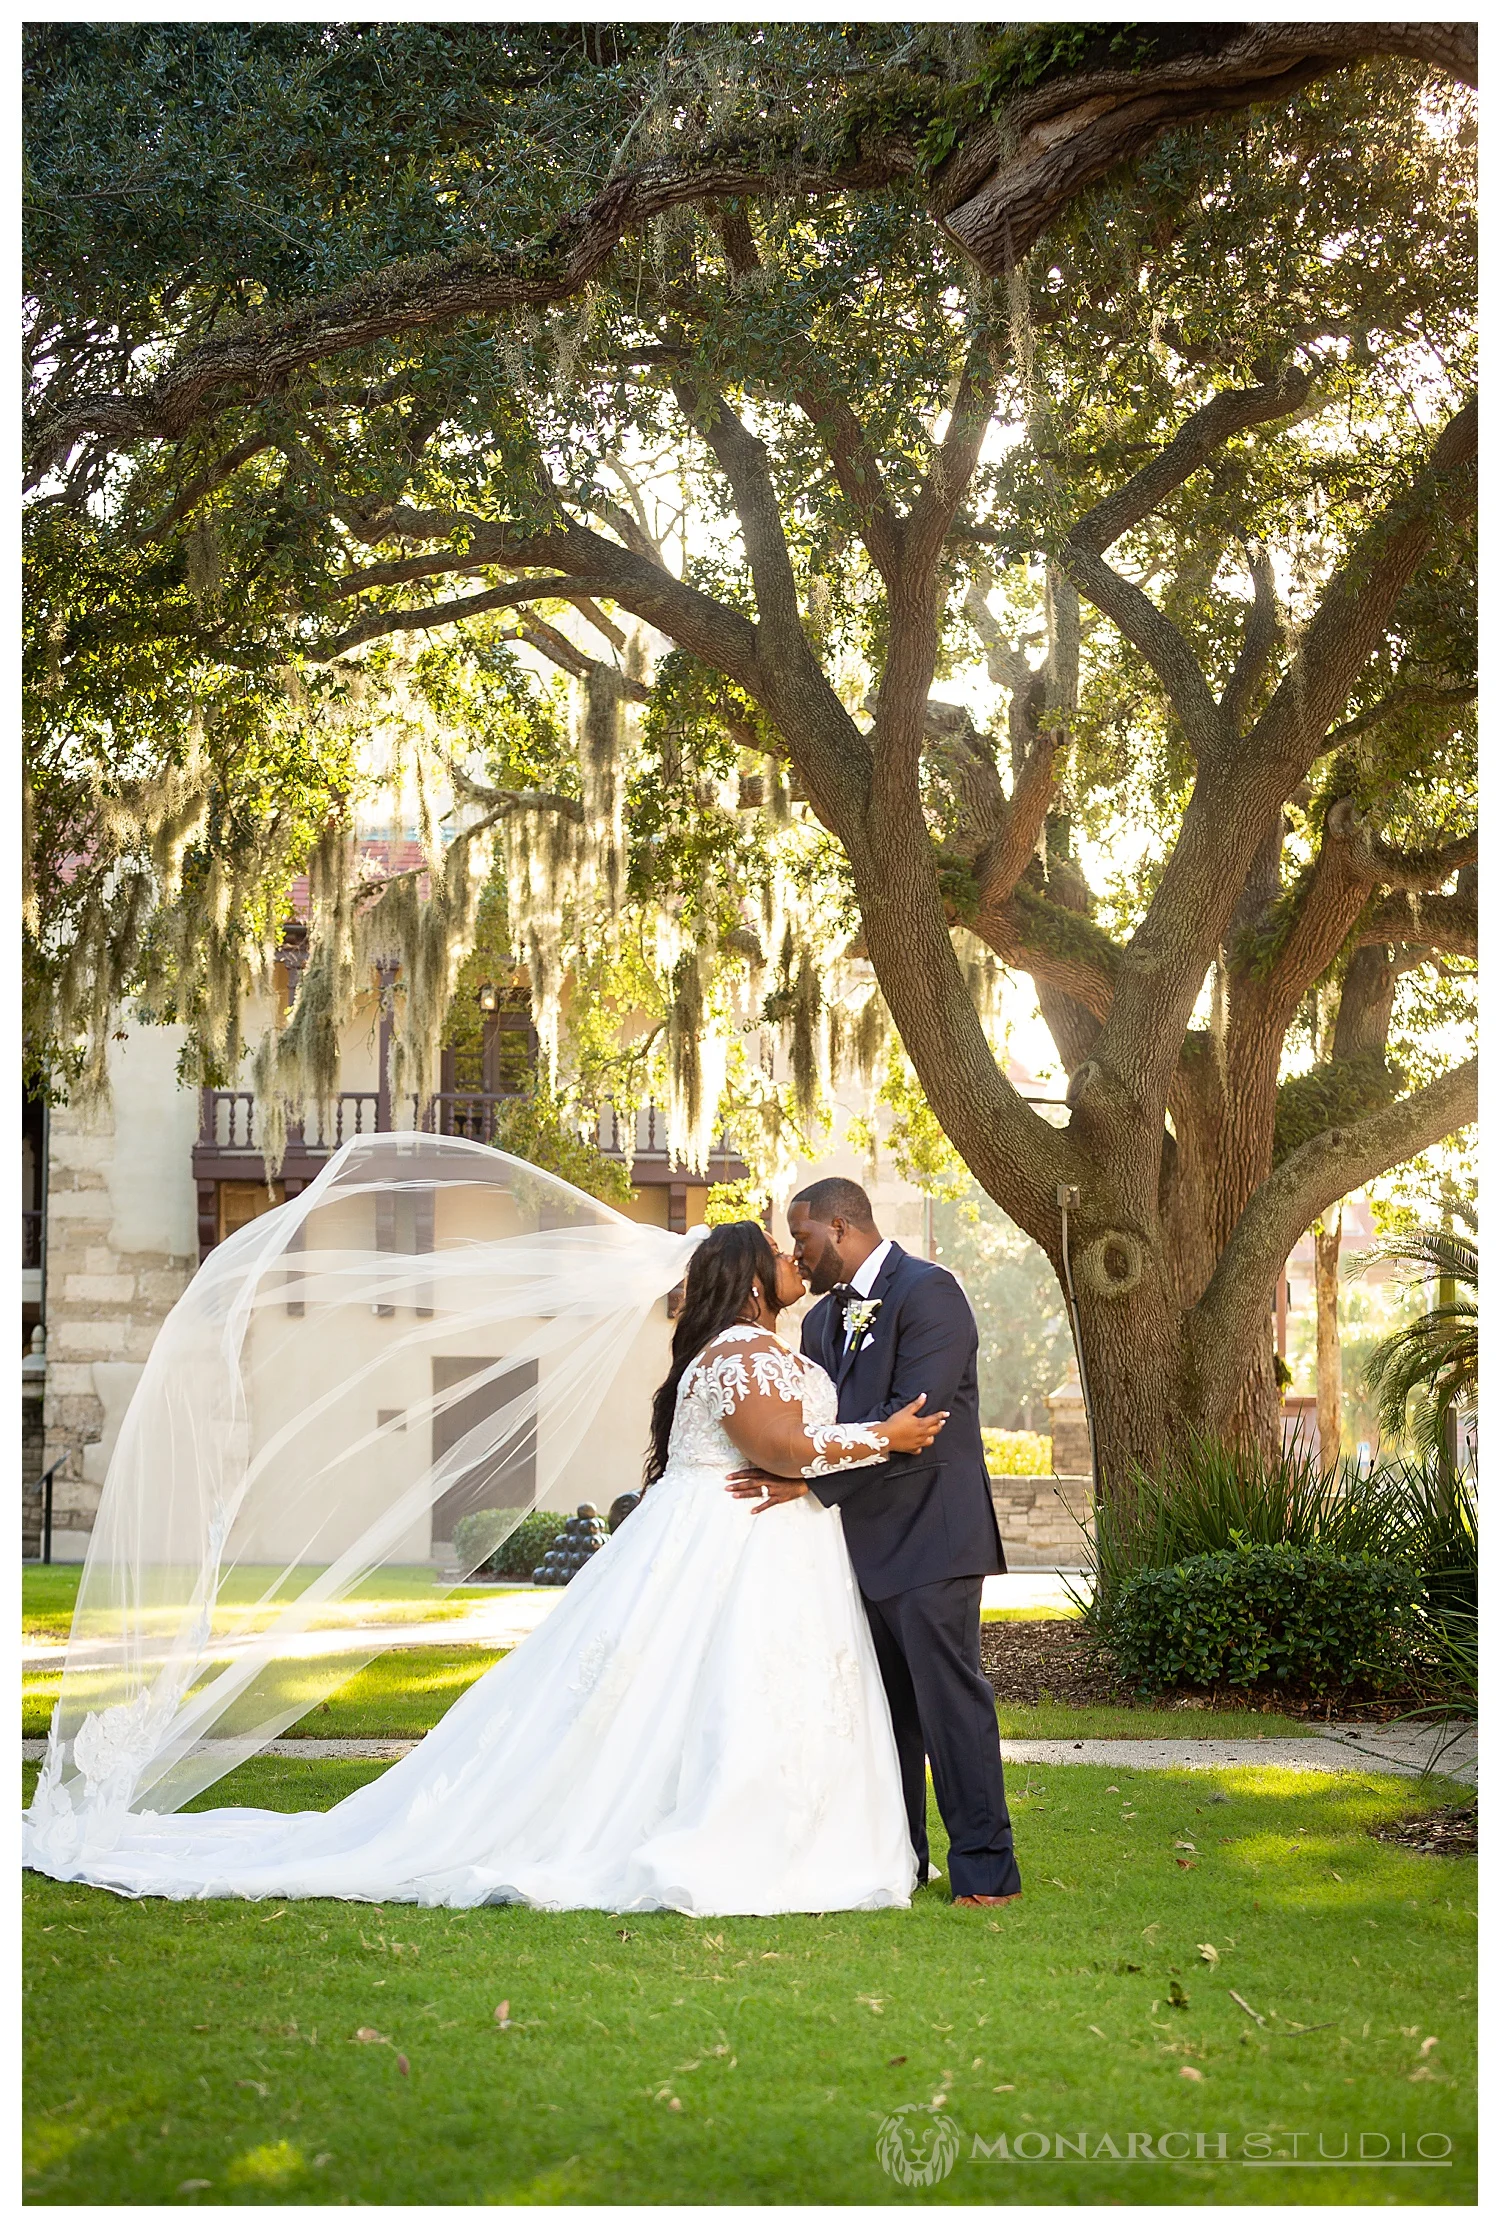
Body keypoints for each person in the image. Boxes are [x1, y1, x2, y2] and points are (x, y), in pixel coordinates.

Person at [25, 1218, 948, 1915]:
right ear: (750, 1279)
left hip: (761, 1545)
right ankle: (732, 1835)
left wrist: (814, 1469)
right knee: (707, 1692)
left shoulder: (759, 1348)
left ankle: (800, 1831)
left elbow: (782, 1456)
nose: (793, 1259)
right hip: (723, 1548)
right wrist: (886, 1437)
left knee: (732, 1693)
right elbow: (780, 1446)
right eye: (779, 1251)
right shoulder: (740, 1352)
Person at [728, 1177, 1021, 1906]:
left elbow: (912, 1420)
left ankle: (986, 1869)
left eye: (802, 1238)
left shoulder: (930, 1293)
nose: (797, 1252)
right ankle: (901, 1860)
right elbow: (824, 1428)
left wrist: (810, 1483)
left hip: (932, 1538)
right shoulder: (821, 1322)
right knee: (886, 1716)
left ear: (839, 1227)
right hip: (852, 1548)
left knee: (949, 1705)